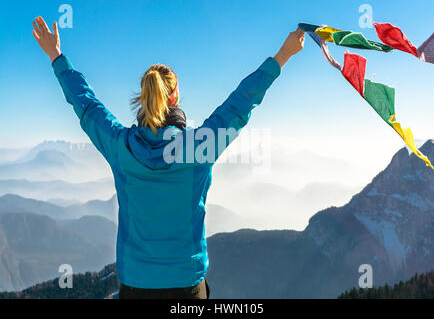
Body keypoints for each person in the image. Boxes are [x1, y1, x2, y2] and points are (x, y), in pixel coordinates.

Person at [32, 16, 304, 299]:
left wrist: (56, 56)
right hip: (187, 285)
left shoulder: (120, 146)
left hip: (136, 284)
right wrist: (282, 56)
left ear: (144, 95)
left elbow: (85, 102)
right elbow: (241, 102)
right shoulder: (200, 147)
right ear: (174, 98)